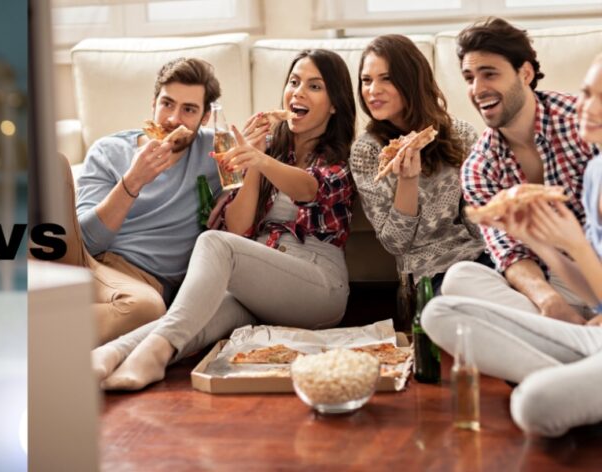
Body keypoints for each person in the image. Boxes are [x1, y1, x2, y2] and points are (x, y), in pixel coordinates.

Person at [92, 49, 356, 391]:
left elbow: (308, 189)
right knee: (206, 311)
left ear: (334, 103)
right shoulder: (272, 147)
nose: (298, 92)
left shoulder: (343, 155)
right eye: (293, 82)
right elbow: (239, 228)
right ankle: (112, 354)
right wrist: (253, 165)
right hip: (263, 283)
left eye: (314, 86)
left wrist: (260, 159)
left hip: (318, 284)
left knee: (213, 244)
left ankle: (152, 354)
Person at [423, 53, 602, 437]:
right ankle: (578, 376)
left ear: (526, 73)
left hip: (591, 307)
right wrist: (545, 243)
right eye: (586, 94)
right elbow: (516, 256)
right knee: (439, 309)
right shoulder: (594, 174)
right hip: (584, 308)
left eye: (489, 73)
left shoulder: (574, 127)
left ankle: (567, 381)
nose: (585, 107)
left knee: (533, 403)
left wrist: (574, 243)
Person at [441, 18, 601, 324]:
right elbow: (508, 251)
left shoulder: (580, 121)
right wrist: (549, 301)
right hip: (556, 281)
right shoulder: (478, 168)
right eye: (469, 78)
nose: (477, 89)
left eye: (489, 74)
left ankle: (561, 338)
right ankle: (571, 331)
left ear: (525, 73)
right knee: (458, 280)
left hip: (598, 267)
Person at [56, 57, 222, 344]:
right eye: (167, 104)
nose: (173, 119)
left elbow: (276, 148)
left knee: (148, 308)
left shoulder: (216, 152)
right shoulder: (109, 151)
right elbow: (86, 243)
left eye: (189, 110)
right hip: (93, 263)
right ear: (153, 103)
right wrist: (133, 180)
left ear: (205, 117)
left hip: (143, 285)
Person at [349, 34, 487, 293]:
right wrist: (407, 180)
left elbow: (478, 221)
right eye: (366, 80)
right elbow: (396, 244)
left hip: (479, 257)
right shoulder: (367, 151)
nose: (372, 90)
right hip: (429, 273)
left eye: (386, 78)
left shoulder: (461, 134)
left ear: (411, 80)